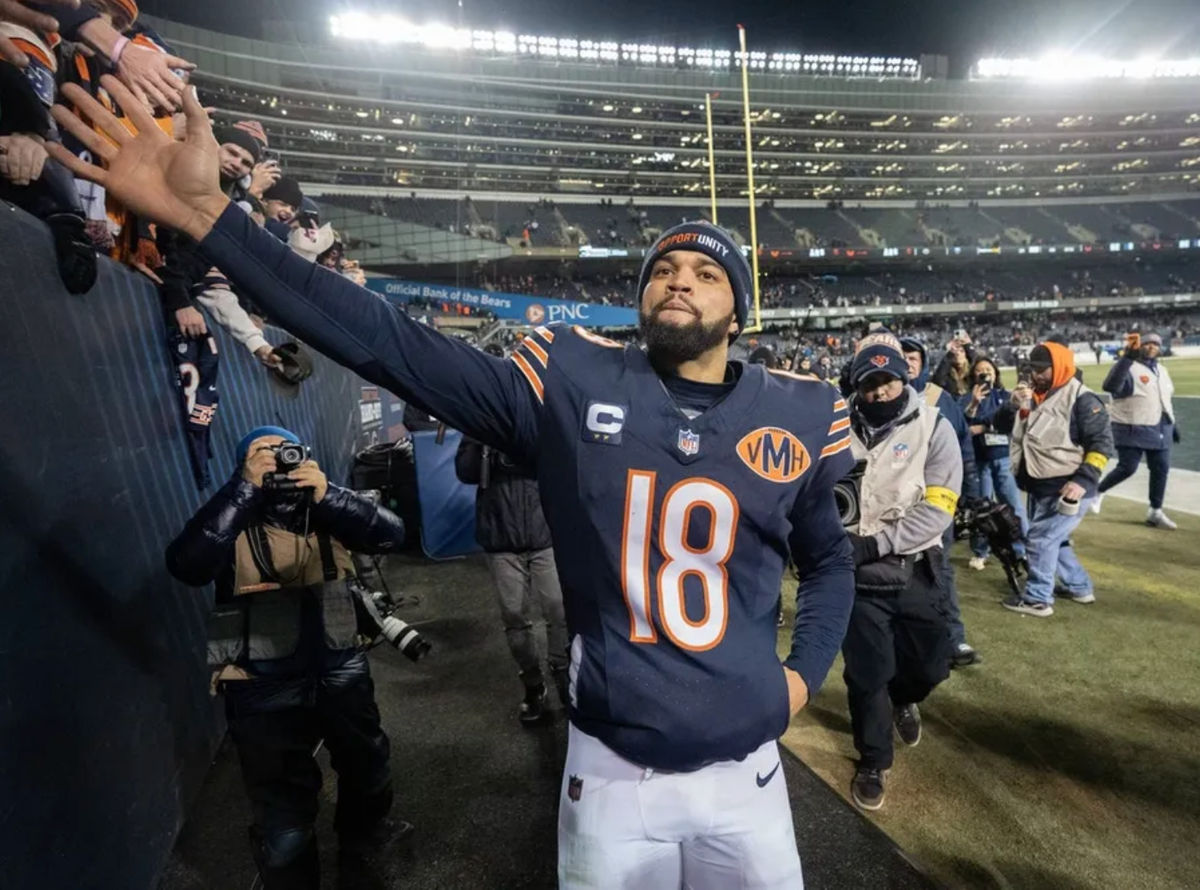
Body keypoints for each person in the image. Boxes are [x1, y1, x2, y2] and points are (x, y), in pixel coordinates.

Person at [58, 79, 857, 889]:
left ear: (739, 312)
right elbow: (391, 345)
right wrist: (213, 223)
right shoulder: (575, 380)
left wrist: (801, 675)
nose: (679, 280)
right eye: (664, 269)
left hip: (750, 773)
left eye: (706, 274)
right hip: (616, 770)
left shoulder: (797, 412)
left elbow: (829, 562)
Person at [165, 427, 410, 888]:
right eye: (264, 454)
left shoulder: (324, 504)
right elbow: (187, 564)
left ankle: (362, 845)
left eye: (287, 452)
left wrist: (329, 493)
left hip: (340, 666)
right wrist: (244, 488)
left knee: (368, 767)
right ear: (244, 463)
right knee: (284, 813)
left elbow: (390, 535)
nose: (279, 460)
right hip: (261, 683)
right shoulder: (234, 510)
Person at [841, 332, 963, 811]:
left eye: (888, 381)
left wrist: (876, 544)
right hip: (856, 576)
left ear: (904, 376)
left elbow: (939, 509)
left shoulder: (935, 426)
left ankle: (905, 697)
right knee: (867, 673)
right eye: (870, 383)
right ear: (857, 384)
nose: (879, 392)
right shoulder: (832, 425)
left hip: (915, 568)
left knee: (931, 666)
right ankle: (873, 759)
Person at [455, 432, 569, 724]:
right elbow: (465, 472)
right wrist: (486, 444)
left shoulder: (535, 420)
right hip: (501, 538)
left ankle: (563, 677)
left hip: (544, 533)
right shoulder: (480, 425)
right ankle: (533, 685)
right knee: (514, 617)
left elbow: (564, 464)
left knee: (559, 612)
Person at [994, 343, 1113, 617]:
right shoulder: (1035, 394)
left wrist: (1083, 481)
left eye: (1041, 370)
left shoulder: (1083, 399)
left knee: (1040, 539)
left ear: (1059, 366)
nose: (1035, 376)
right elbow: (1001, 426)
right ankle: (1079, 587)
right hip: (1040, 484)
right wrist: (1011, 406)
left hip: (1067, 487)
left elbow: (1102, 444)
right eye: (1032, 370)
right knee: (1054, 540)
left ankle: (1038, 598)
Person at [900, 337, 980, 668]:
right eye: (901, 355)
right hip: (891, 503)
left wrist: (970, 494)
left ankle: (953, 638)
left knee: (939, 569)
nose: (907, 361)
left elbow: (963, 449)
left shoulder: (938, 398)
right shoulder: (875, 394)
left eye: (913, 356)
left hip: (933, 503)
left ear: (924, 362)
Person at [1094, 332, 1178, 529]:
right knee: (1127, 467)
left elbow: (1164, 399)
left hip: (1160, 427)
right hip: (1132, 426)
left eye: (1155, 344)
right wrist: (1126, 358)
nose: (1151, 347)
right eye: (1147, 343)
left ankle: (1155, 511)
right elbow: (1110, 386)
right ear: (1139, 346)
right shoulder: (1129, 367)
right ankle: (1098, 491)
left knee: (1161, 469)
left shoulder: (1162, 370)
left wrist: (1173, 424)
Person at [961, 356, 1028, 570]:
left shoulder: (1006, 396)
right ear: (973, 375)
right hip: (979, 460)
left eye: (988, 369)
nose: (985, 373)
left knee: (1014, 506)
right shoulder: (967, 398)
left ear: (995, 373)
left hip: (1003, 457)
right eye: (980, 370)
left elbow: (1010, 421)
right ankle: (981, 551)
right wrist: (974, 405)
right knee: (981, 510)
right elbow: (964, 428)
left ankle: (1022, 550)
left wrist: (984, 425)